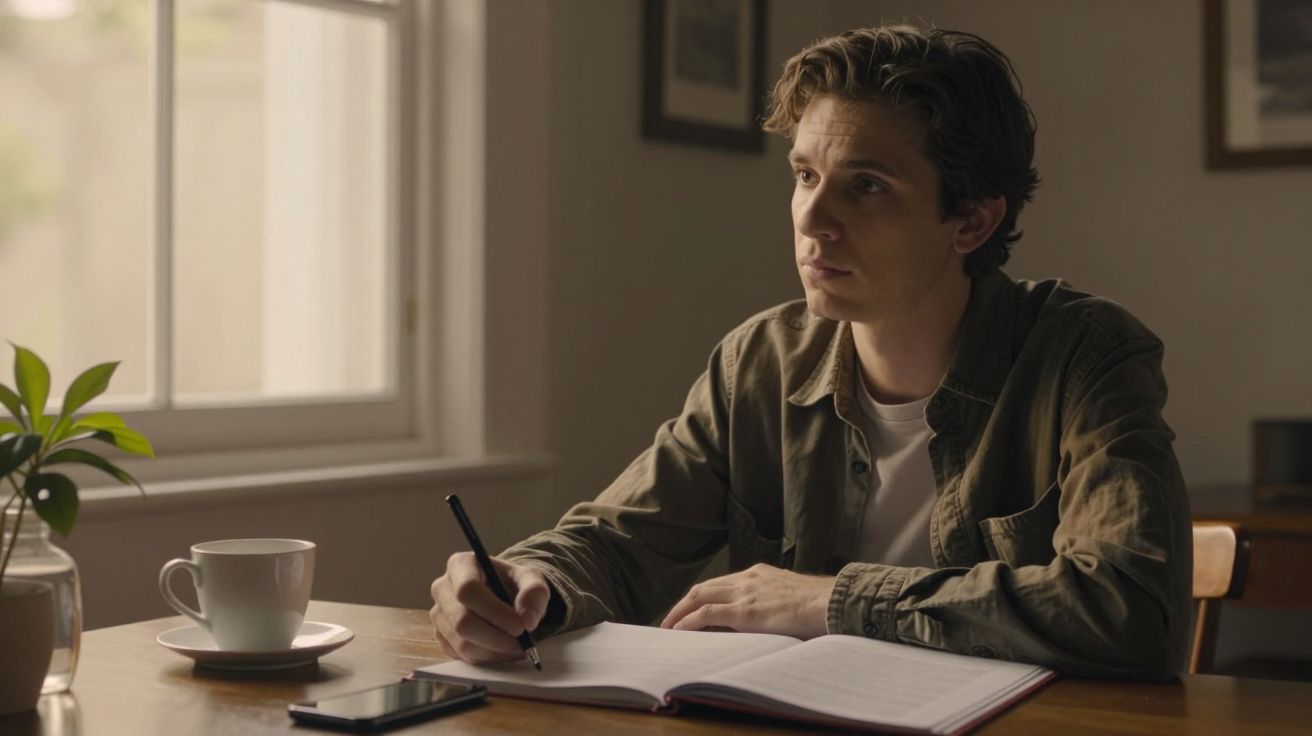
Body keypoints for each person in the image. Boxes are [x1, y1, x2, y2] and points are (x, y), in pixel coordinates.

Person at [429, 24, 1192, 680]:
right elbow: (620, 541)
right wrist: (527, 581)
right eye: (804, 176)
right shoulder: (759, 361)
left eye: (865, 186)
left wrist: (826, 600)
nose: (813, 219)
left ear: (972, 221)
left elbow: (1133, 611)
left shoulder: (1084, 357)